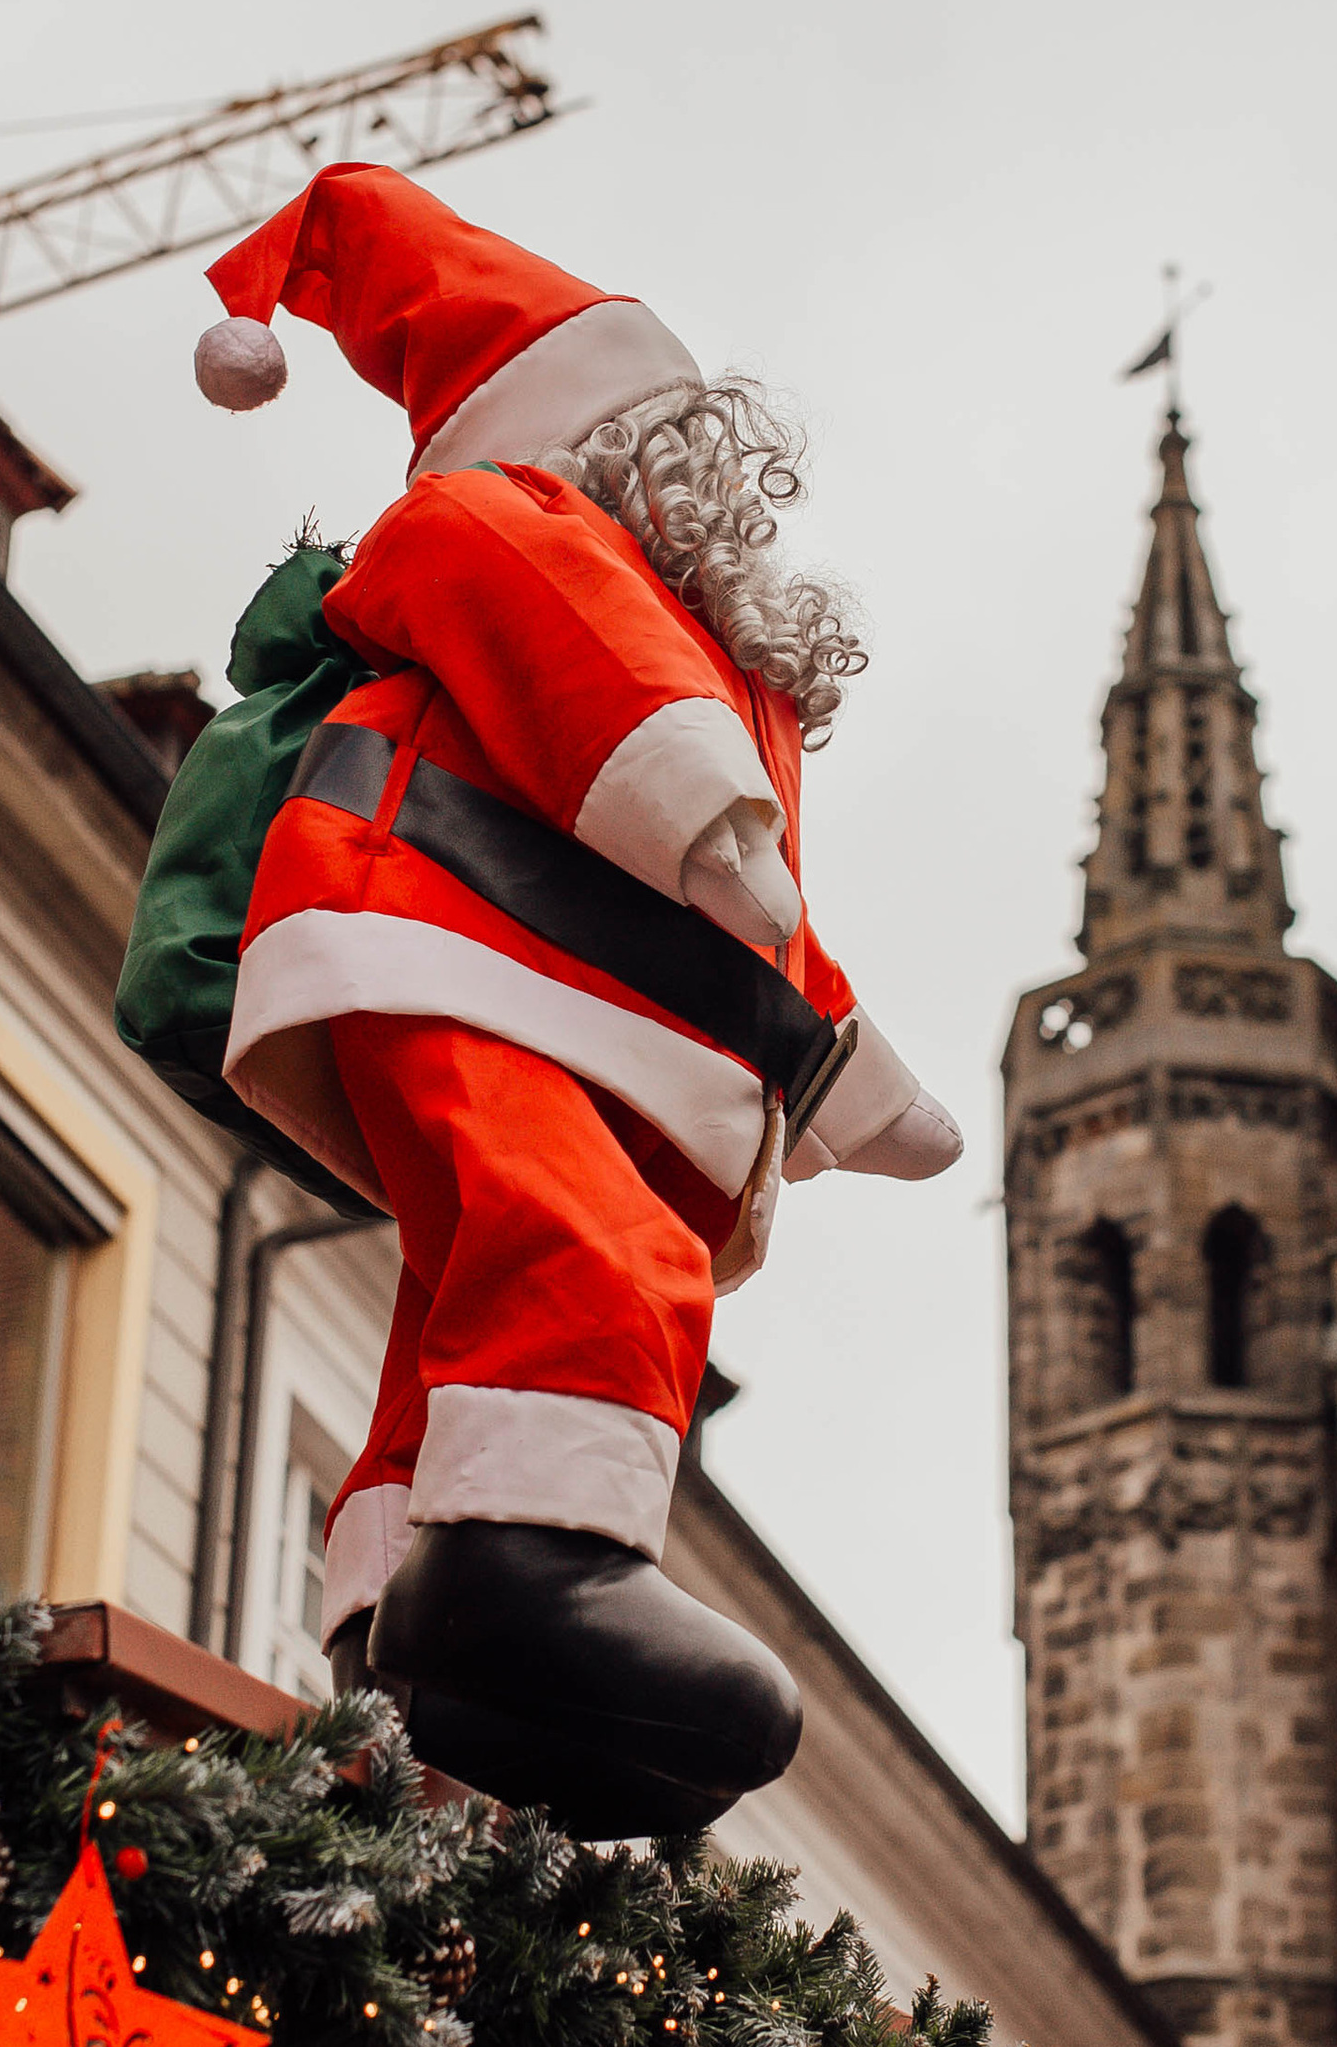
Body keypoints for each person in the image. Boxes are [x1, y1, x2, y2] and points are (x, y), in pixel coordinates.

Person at [190, 163, 959, 1832]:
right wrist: (707, 814)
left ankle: (407, 1636)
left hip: (527, 977)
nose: (728, 500)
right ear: (622, 443)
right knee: (579, 1244)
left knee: (462, 1306)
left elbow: (761, 937)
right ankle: (533, 1567)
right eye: (695, 452)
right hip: (455, 942)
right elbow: (591, 681)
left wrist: (846, 1075)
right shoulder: (518, 523)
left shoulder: (716, 667)